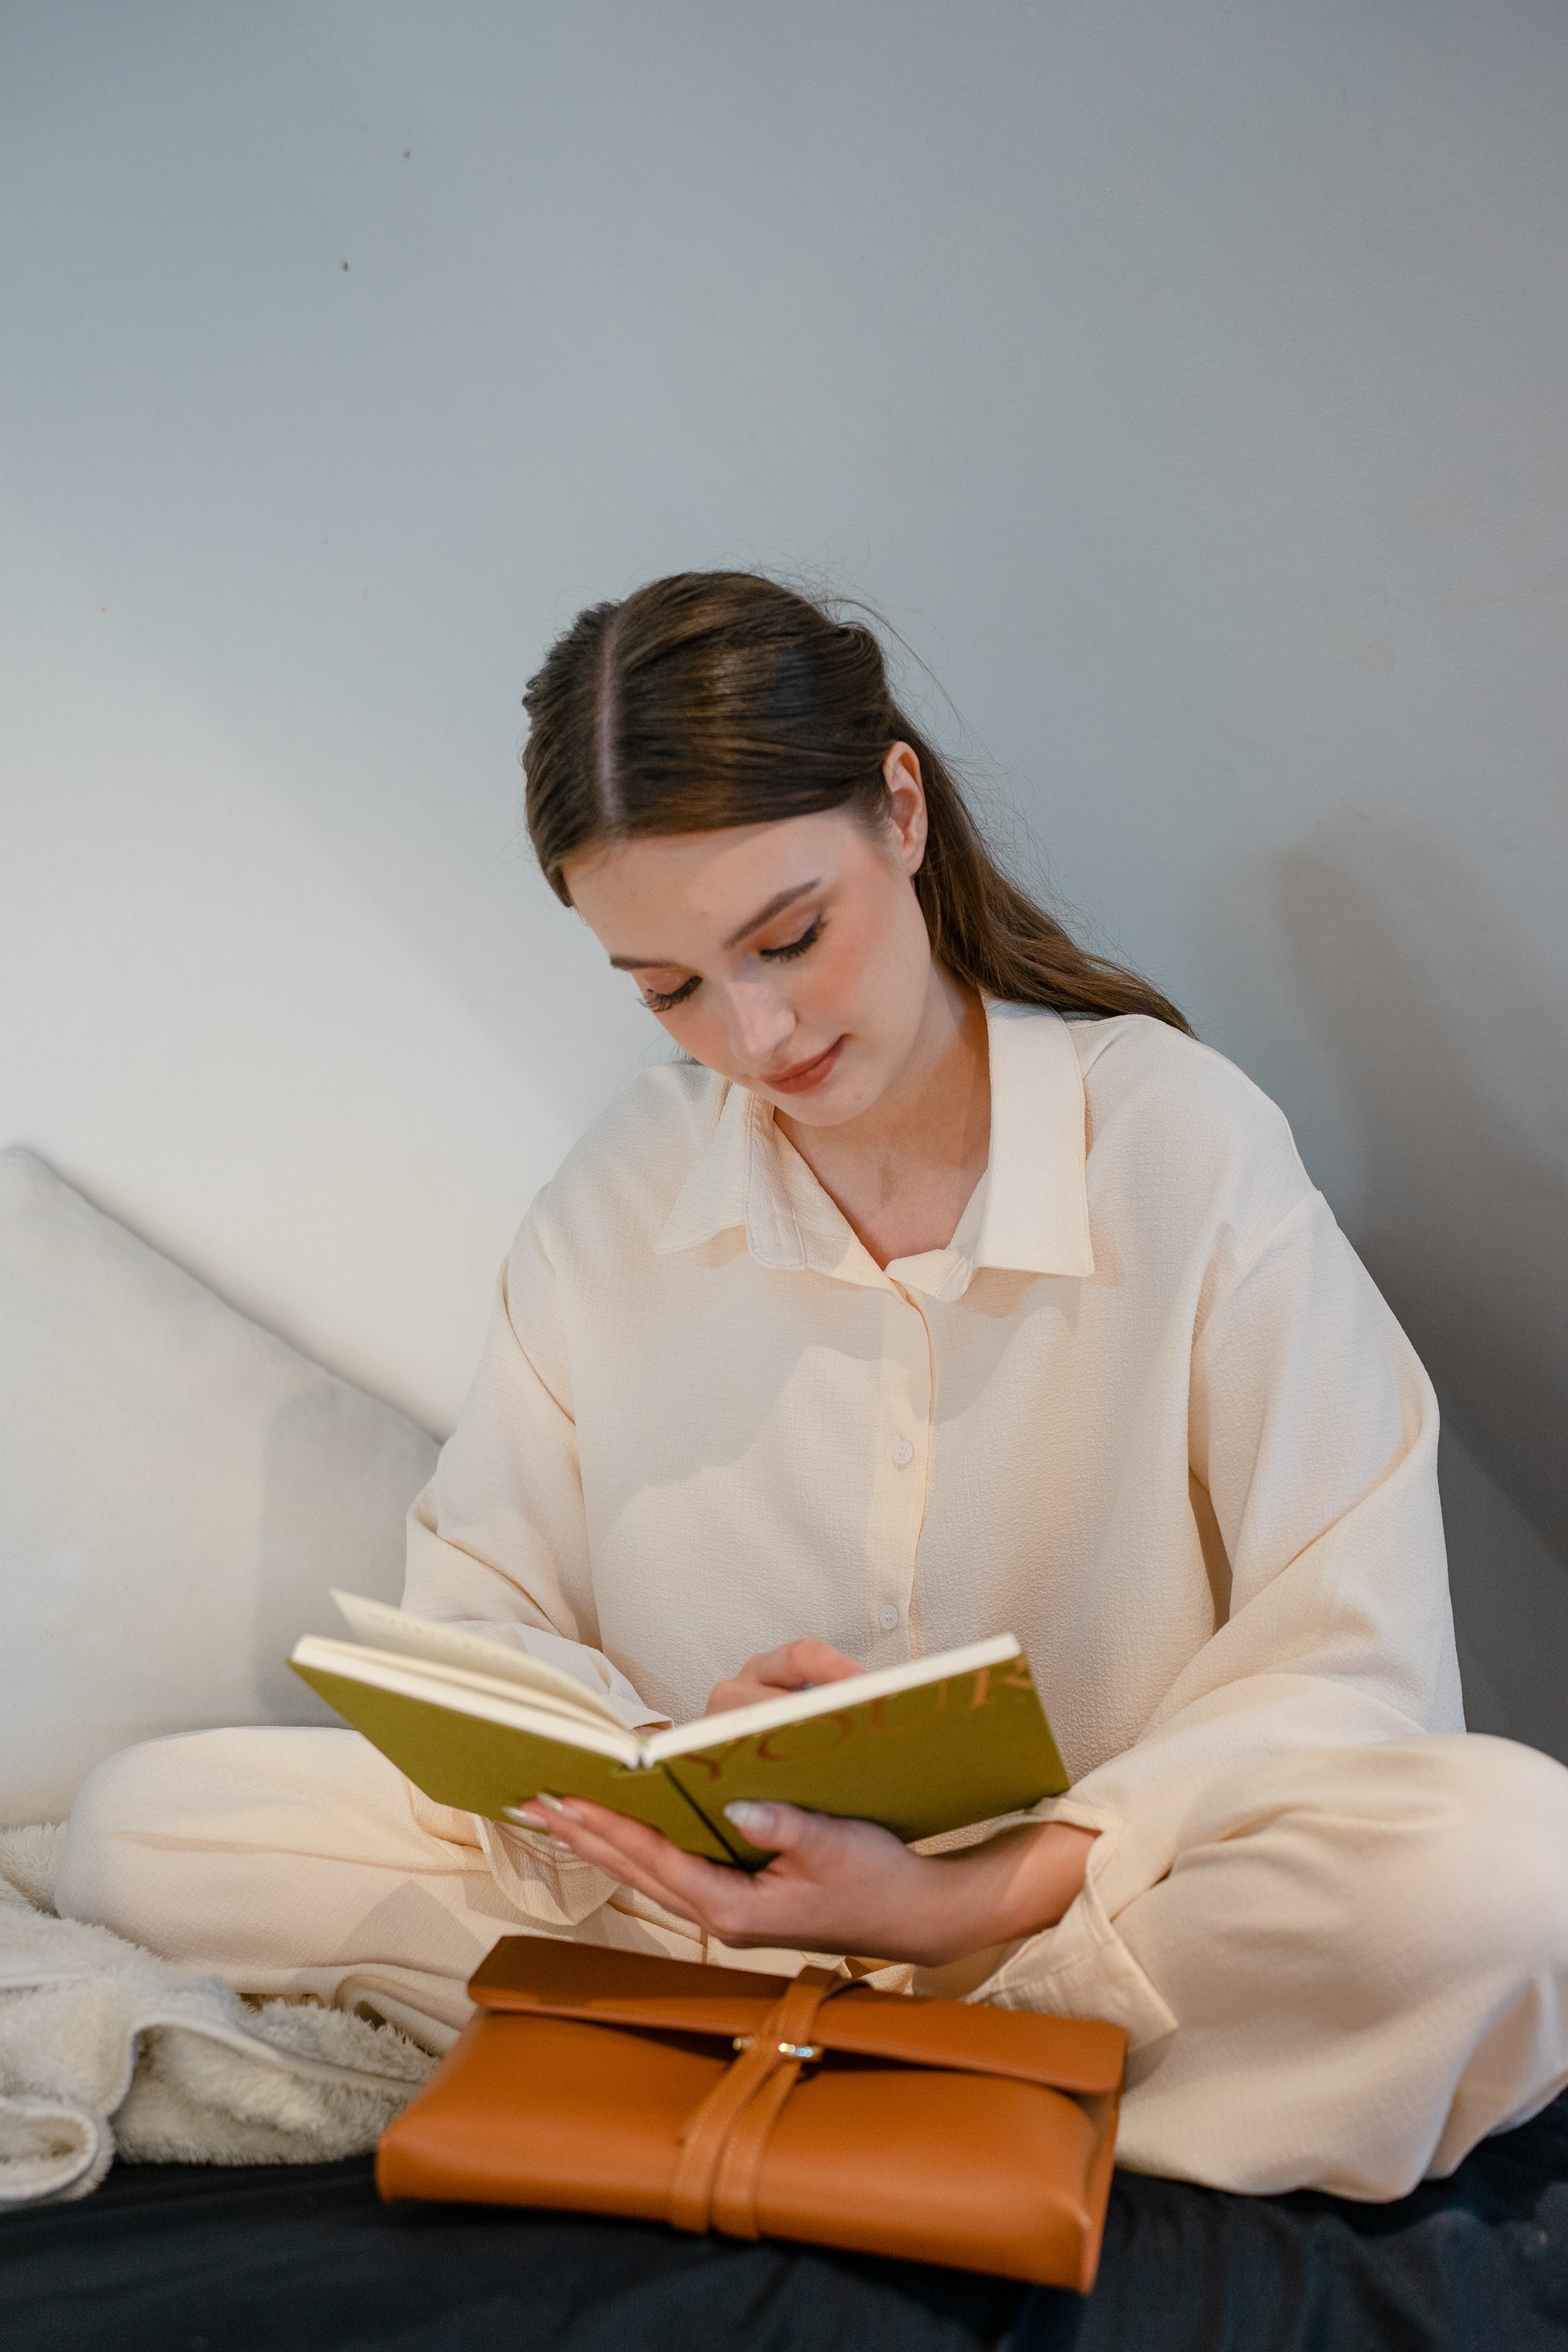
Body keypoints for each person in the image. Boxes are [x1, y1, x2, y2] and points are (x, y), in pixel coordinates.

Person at [57, 572, 1568, 2201]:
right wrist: (659, 1763)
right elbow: (484, 1609)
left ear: (899, 811)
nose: (754, 1030)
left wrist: (965, 1894)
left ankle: (810, 2051)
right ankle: (943, 2081)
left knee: (1512, 1868)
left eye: (787, 937)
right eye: (670, 988)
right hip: (704, 1908)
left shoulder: (1179, 1145)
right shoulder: (622, 1194)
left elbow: (1347, 1656)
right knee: (147, 1826)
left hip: (1069, 1920)